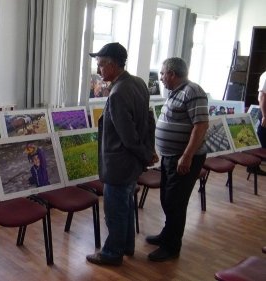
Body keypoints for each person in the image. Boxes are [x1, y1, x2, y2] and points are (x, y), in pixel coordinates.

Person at [85, 42, 156, 266]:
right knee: (125, 205)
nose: (98, 71)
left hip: (119, 163)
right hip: (131, 163)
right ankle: (126, 246)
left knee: (115, 211)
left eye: (101, 65)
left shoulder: (117, 92)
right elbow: (148, 121)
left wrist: (145, 153)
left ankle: (112, 253)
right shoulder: (139, 83)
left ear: (114, 65)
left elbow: (127, 136)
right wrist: (147, 151)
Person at [146, 57, 209, 262]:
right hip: (170, 157)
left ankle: (171, 246)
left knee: (176, 202)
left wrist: (187, 156)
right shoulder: (176, 92)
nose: (161, 78)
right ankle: (167, 234)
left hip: (184, 159)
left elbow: (201, 126)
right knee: (167, 198)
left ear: (172, 74)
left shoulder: (193, 91)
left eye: (163, 73)